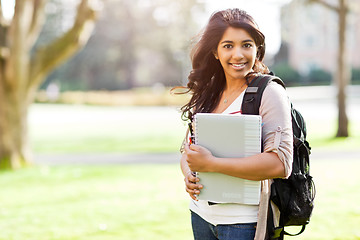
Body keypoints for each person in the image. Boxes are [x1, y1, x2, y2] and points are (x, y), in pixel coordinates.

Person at [177, 9, 293, 240]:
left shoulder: (268, 91)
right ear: (215, 52)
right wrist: (189, 172)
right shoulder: (209, 91)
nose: (238, 55)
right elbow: (187, 149)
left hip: (243, 223)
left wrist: (212, 164)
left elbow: (280, 164)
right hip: (201, 216)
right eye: (228, 46)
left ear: (257, 49)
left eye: (246, 45)